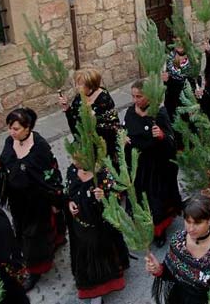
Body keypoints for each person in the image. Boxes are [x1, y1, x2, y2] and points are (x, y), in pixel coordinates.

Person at [0, 107, 65, 290]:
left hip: (37, 201)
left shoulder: (40, 146)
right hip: (18, 201)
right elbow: (7, 163)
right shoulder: (10, 141)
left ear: (27, 127)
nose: (11, 132)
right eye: (10, 128)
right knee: (21, 230)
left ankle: (35, 269)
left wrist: (56, 200)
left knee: (34, 235)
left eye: (16, 128)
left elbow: (50, 174)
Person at [145, 194, 210, 304]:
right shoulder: (178, 241)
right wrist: (158, 269)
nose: (191, 228)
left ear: (209, 220)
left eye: (197, 223)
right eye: (188, 221)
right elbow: (171, 274)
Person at [124, 79, 181, 247]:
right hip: (138, 166)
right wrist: (124, 140)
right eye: (133, 96)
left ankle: (159, 231)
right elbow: (125, 131)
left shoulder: (159, 114)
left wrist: (162, 137)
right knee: (141, 199)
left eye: (139, 96)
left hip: (156, 167)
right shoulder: (130, 113)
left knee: (156, 201)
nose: (135, 100)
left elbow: (171, 143)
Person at [65, 156, 129, 301]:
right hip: (81, 226)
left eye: (77, 158)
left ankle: (104, 286)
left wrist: (104, 196)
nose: (73, 161)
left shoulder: (103, 173)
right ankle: (92, 287)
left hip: (102, 227)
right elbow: (68, 192)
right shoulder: (72, 170)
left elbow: (117, 197)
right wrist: (70, 204)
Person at [60, 68, 121, 162]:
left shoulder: (103, 99)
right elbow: (76, 121)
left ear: (90, 85)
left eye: (80, 84)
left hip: (102, 144)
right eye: (76, 83)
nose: (76, 87)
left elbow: (111, 124)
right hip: (85, 142)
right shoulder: (79, 97)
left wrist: (92, 119)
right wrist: (68, 108)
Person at [161, 41, 197, 122]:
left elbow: (195, 78)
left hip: (187, 93)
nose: (179, 44)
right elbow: (167, 76)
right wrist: (165, 79)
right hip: (172, 95)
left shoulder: (193, 56)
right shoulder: (170, 56)